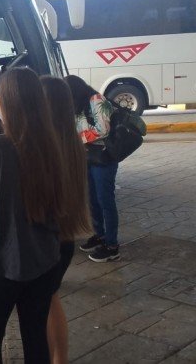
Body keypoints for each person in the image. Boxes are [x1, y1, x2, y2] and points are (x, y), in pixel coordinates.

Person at [0, 68, 80, 363]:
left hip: (0, 260)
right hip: (44, 260)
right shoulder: (54, 146)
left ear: (7, 105)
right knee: (34, 336)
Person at [40, 76, 92, 364]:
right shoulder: (72, 141)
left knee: (46, 304)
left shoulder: (44, 147)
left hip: (46, 240)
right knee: (51, 300)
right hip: (65, 238)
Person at [64, 75, 121, 263]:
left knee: (105, 200)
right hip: (88, 156)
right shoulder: (78, 104)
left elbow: (103, 129)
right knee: (92, 198)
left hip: (103, 157)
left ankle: (112, 246)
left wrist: (76, 139)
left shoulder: (96, 100)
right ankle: (100, 235)